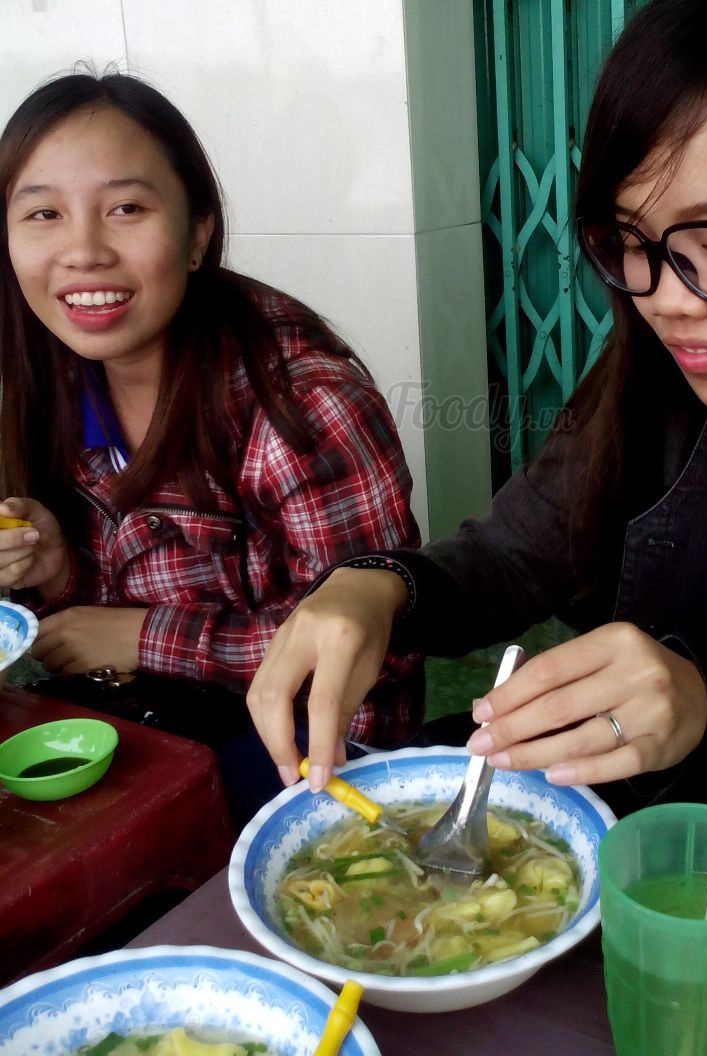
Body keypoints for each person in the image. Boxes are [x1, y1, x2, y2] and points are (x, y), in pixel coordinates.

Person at [246, 0, 707, 939]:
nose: (667, 298)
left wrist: (701, 702)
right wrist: (379, 587)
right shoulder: (670, 375)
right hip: (655, 876)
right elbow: (514, 550)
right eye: (632, 242)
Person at [0, 73, 423, 806]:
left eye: (126, 208)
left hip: (311, 755)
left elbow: (370, 649)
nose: (83, 251)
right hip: (141, 717)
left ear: (197, 231)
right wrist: (58, 570)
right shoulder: (51, 375)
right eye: (44, 214)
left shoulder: (300, 402)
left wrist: (143, 636)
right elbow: (95, 615)